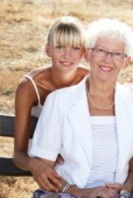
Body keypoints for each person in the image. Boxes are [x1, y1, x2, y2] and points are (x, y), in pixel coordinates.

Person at [28, 18, 133, 197]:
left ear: (126, 61)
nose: (108, 59)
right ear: (88, 54)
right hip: (69, 194)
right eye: (101, 51)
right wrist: (80, 192)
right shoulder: (59, 101)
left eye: (117, 54)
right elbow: (43, 170)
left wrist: (126, 189)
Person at [13, 16, 89, 191]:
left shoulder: (90, 80)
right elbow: (18, 154)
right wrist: (35, 165)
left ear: (83, 52)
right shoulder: (29, 87)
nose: (67, 55)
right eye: (60, 46)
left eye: (75, 48)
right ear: (48, 50)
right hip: (47, 167)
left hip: (80, 163)